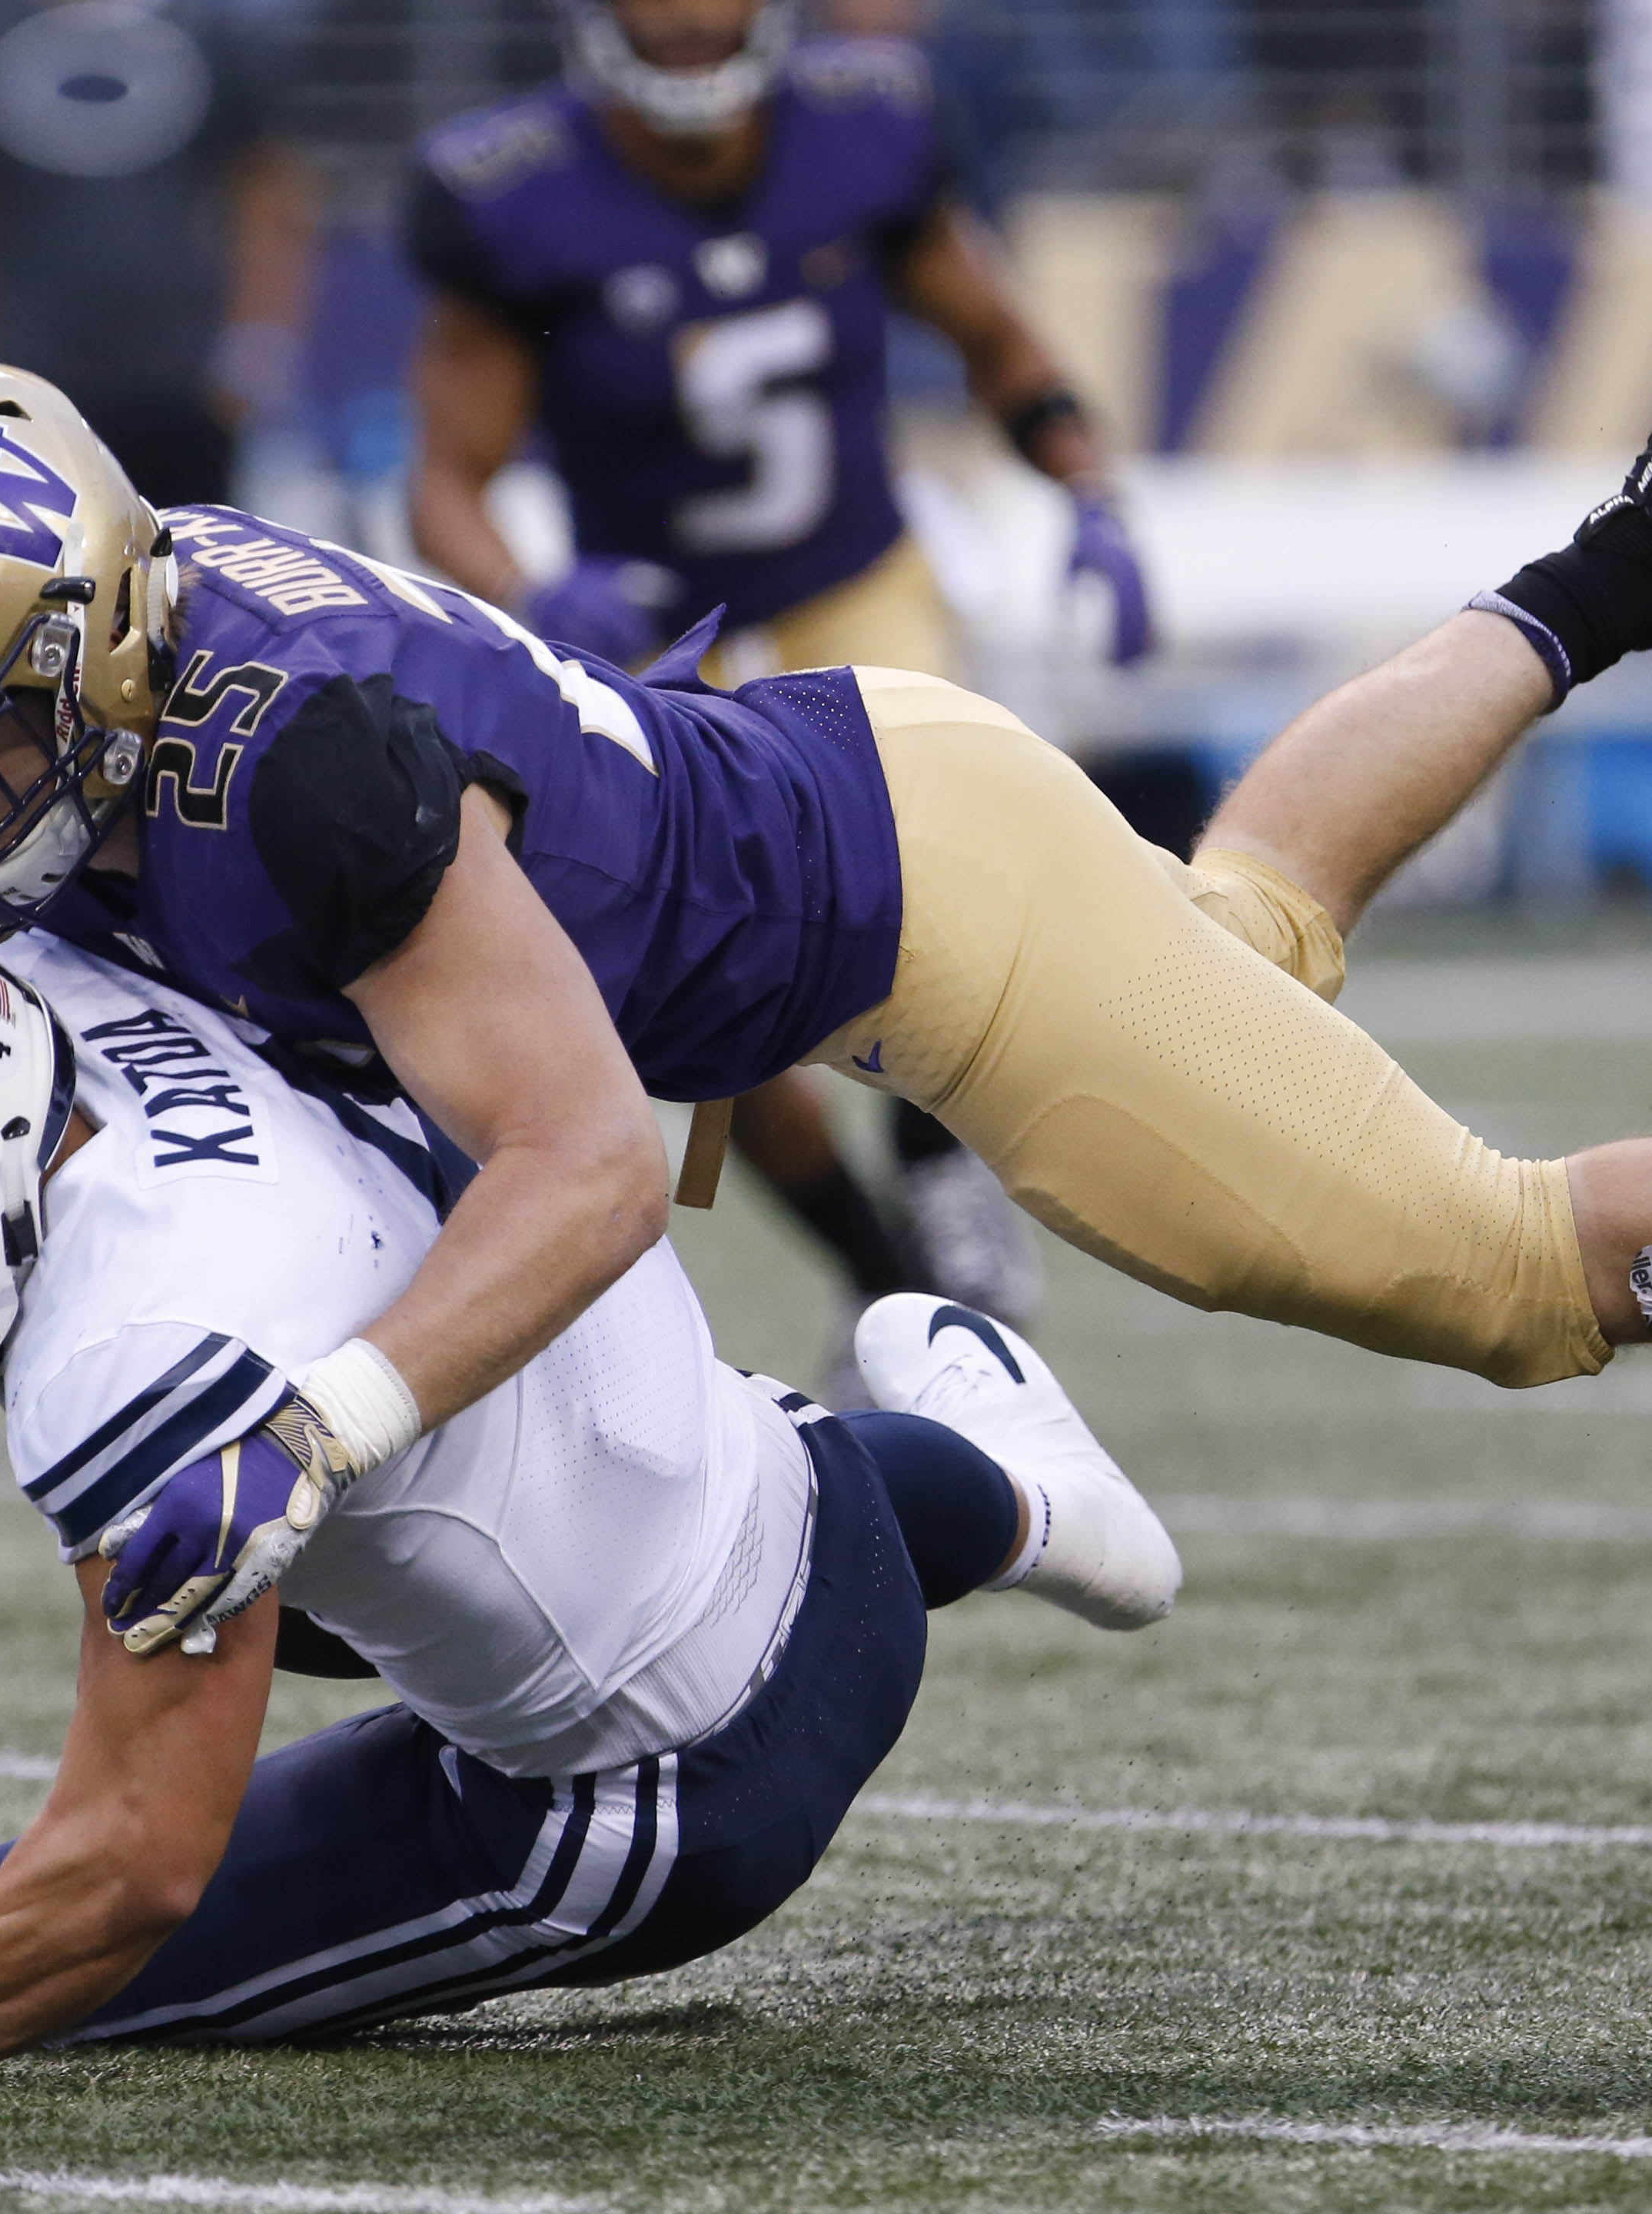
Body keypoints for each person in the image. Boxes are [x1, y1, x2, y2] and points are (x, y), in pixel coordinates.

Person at [0, 357, 1652, 1622]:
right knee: (1247, 944)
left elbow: (567, 1169)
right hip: (869, 799)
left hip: (919, 911)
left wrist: (312, 1421)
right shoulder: (150, 674)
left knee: (1501, 1278)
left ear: (92, 648)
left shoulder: (273, 770)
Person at [0, 902, 1175, 2080]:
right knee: (512, 1498)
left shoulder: (133, 1344)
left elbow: (133, 1865)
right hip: (803, 1483)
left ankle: (1007, 1503)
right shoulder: (116, 955)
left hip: (666, 1803)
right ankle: (1019, 1495)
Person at [403, 0, 1155, 1331]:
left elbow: (994, 336)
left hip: (847, 583)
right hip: (657, 634)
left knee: (946, 887)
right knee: (700, 984)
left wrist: (1091, 490)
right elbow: (447, 483)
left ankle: (943, 1181)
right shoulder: (511, 195)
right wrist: (530, 597)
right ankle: (888, 1282)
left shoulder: (869, 123)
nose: (692, 40)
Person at [0, 0, 317, 507]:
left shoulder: (214, 34)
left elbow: (265, 192)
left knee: (186, 567)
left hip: (182, 379)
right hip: (27, 382)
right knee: (38, 577)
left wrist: (256, 343)